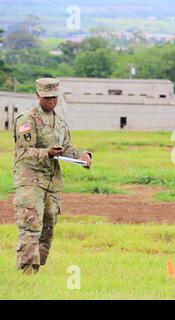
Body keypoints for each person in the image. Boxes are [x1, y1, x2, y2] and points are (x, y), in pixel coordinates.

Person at [13, 78, 92, 274]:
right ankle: (26, 272)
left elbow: (65, 148)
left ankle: (36, 269)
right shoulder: (26, 120)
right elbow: (22, 152)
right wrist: (46, 152)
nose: (51, 102)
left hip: (52, 183)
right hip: (30, 181)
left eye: (54, 98)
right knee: (31, 226)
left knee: (48, 228)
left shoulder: (60, 122)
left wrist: (82, 156)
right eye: (47, 98)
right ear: (38, 95)